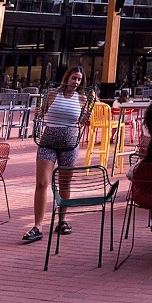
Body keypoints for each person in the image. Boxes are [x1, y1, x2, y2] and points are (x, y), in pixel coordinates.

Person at [23, 64, 88, 243]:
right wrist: (38, 112)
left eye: (79, 79)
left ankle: (62, 221)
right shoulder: (53, 94)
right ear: (67, 78)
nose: (76, 82)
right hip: (48, 142)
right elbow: (42, 112)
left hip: (69, 144)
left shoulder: (82, 99)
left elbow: (81, 122)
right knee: (42, 182)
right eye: (74, 78)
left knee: (64, 183)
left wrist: (85, 119)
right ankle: (38, 226)